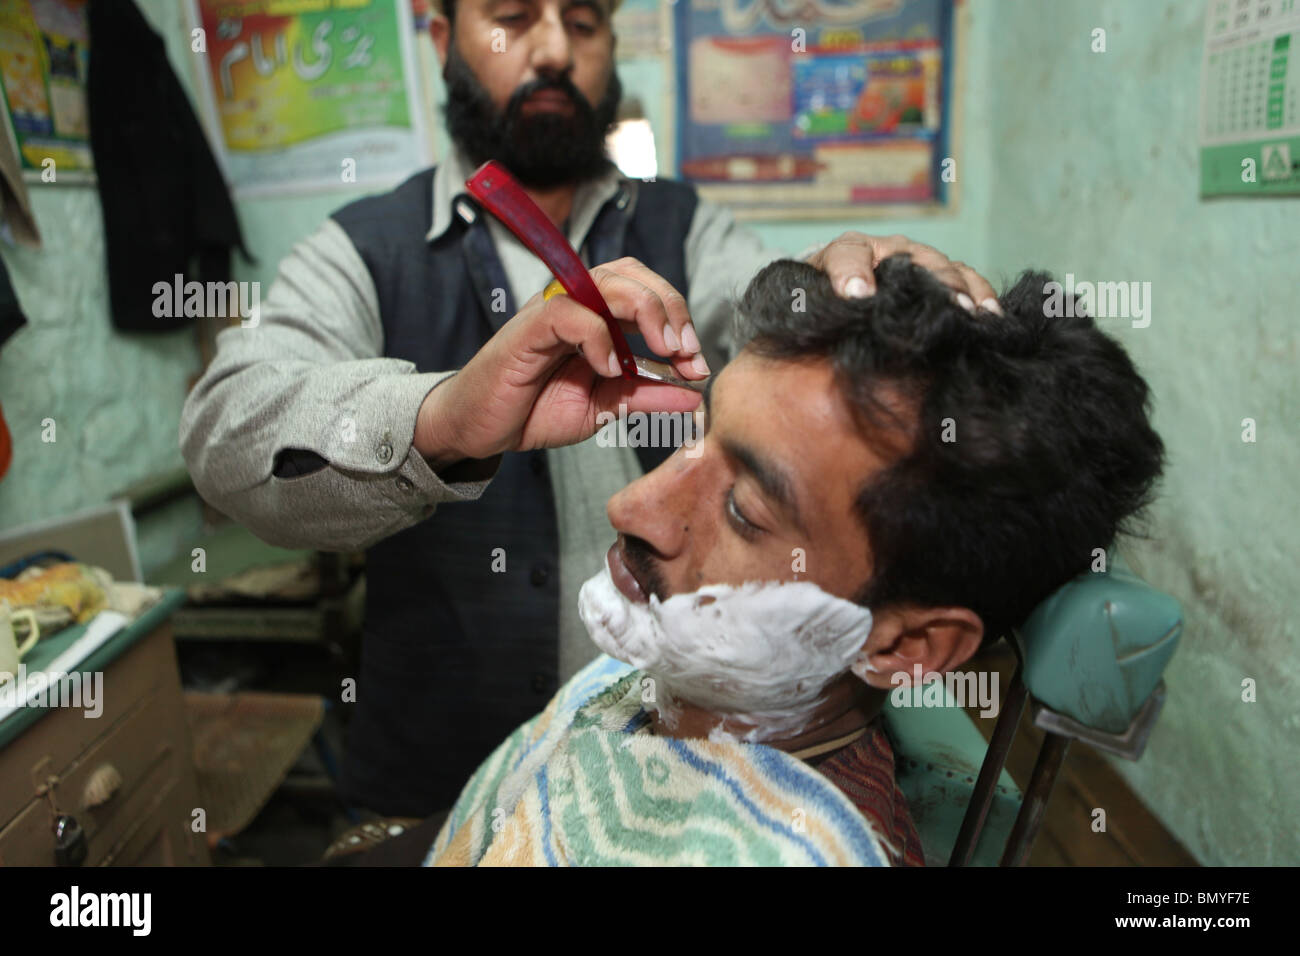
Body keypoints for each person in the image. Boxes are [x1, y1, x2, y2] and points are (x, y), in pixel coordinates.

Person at [178, 0, 998, 818]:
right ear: (442, 38)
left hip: (670, 792)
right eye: (512, 16)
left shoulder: (685, 226)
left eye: (581, 22)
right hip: (436, 797)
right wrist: (443, 418)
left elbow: (773, 315)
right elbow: (224, 432)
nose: (553, 51)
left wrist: (835, 296)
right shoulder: (365, 250)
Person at [416, 255, 1166, 866]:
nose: (632, 505)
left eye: (744, 510)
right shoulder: (653, 681)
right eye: (699, 434)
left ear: (906, 645)